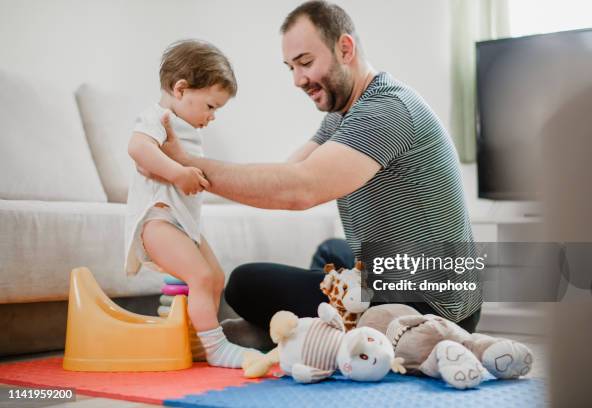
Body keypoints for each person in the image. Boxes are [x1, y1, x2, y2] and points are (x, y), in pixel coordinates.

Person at [152, 1, 482, 335]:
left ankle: (304, 333)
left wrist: (186, 164)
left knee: (244, 283)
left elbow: (299, 188)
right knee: (330, 251)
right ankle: (317, 328)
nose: (297, 79)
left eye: (305, 62)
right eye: (290, 67)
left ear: (345, 48)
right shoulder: (344, 114)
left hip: (434, 306)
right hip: (407, 277)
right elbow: (288, 169)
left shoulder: (385, 110)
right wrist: (191, 195)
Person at [124, 39, 259, 367]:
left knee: (215, 276)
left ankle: (200, 340)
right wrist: (177, 172)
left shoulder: (186, 126)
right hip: (157, 222)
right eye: (211, 106)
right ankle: (217, 348)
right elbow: (138, 148)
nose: (212, 117)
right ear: (181, 89)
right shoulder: (158, 117)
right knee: (199, 277)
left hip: (183, 224)